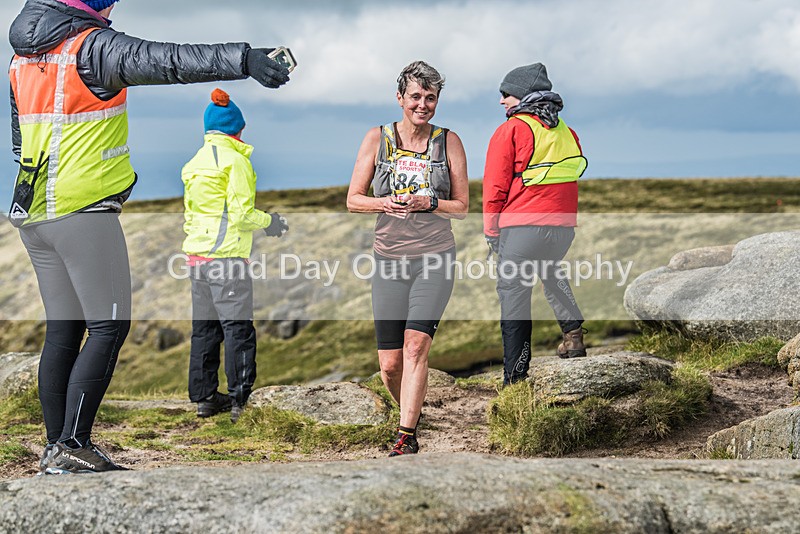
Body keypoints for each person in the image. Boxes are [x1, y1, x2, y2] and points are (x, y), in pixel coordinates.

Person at [8, 0, 290, 474]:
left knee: (65, 329)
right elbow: (170, 60)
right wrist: (245, 59)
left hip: (35, 212)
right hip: (84, 213)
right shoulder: (91, 47)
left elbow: (21, 141)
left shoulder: (23, 56)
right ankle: (74, 444)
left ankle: (56, 449)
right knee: (108, 327)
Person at [346, 61, 469, 456]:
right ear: (400, 98)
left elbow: (463, 206)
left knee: (416, 347)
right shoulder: (376, 138)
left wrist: (429, 202)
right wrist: (385, 203)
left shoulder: (448, 141)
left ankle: (406, 435)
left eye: (430, 98)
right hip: (388, 261)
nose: (423, 104)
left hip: (434, 258)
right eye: (415, 96)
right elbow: (353, 200)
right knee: (389, 365)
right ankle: (412, 413)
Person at [182, 89, 288, 424]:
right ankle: (241, 398)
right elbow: (242, 215)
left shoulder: (193, 164)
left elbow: (192, 214)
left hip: (197, 259)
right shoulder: (236, 162)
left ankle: (205, 398)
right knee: (238, 329)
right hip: (226, 261)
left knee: (205, 329)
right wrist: (270, 222)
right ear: (236, 129)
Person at [483, 63, 588, 387]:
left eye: (506, 94)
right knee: (550, 270)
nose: (501, 101)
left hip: (523, 227)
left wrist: (491, 231)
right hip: (562, 227)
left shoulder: (511, 130)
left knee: (513, 293)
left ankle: (515, 377)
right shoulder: (565, 131)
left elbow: (495, 186)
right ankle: (573, 337)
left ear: (523, 95)